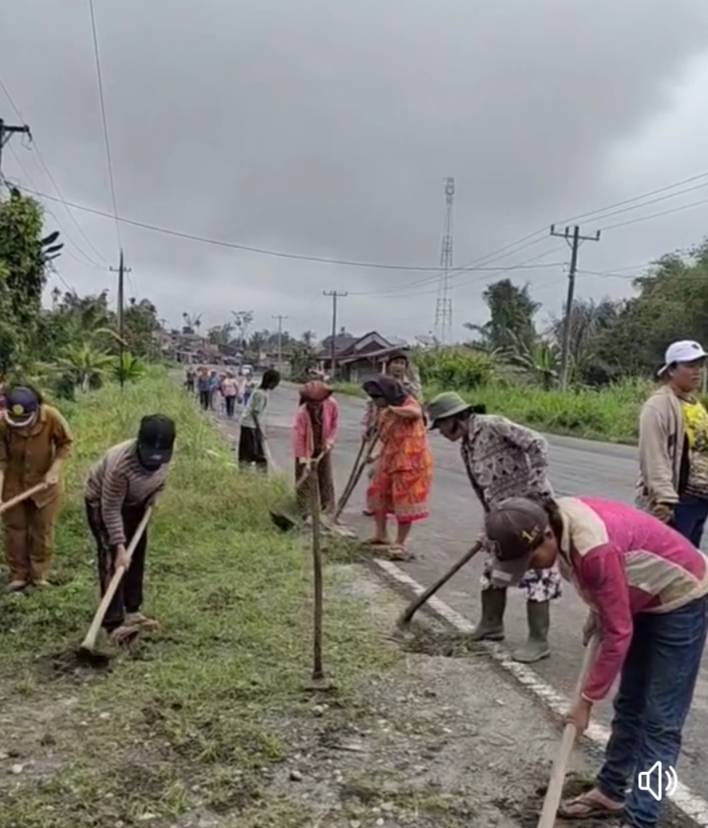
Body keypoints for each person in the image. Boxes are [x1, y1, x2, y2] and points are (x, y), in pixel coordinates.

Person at [484, 495, 708, 828]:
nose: (530, 569)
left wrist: (586, 701)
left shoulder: (593, 550)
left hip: (682, 596)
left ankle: (641, 818)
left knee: (661, 723)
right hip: (641, 594)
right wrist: (598, 609)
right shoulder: (553, 522)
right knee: (630, 703)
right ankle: (611, 791)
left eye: (531, 561)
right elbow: (611, 583)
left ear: (547, 535)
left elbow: (619, 634)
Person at [426, 390, 560, 663]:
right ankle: (491, 625)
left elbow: (538, 443)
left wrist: (534, 490)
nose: (440, 431)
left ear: (457, 418)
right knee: (493, 571)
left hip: (532, 513)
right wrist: (488, 525)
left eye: (441, 424)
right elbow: (483, 489)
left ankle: (538, 640)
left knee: (537, 574)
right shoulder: (467, 446)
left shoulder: (493, 425)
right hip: (502, 519)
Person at [85, 415, 176, 643]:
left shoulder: (166, 452)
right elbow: (111, 509)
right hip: (104, 504)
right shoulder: (120, 465)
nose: (155, 461)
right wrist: (119, 547)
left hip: (137, 504)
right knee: (113, 561)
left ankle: (133, 611)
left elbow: (160, 478)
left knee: (135, 555)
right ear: (139, 443)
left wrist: (155, 495)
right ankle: (112, 623)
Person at [0, 386, 73, 591]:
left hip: (45, 485)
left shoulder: (51, 416)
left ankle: (39, 575)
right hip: (13, 485)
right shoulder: (3, 423)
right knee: (15, 530)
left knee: (42, 530)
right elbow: (1, 462)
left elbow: (65, 443)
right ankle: (18, 575)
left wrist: (55, 469)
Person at [638, 339, 708, 547]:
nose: (697, 372)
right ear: (671, 370)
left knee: (690, 563)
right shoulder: (659, 406)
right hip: (678, 501)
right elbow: (654, 455)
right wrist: (664, 499)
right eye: (689, 366)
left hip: (700, 499)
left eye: (699, 366)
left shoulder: (695, 404)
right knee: (672, 564)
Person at [363, 376, 432, 560]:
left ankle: (400, 542)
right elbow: (387, 439)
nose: (376, 402)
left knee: (405, 502)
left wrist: (392, 408)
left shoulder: (408, 404)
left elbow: (415, 413)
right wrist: (375, 454)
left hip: (411, 462)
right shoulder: (383, 412)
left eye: (378, 398)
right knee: (377, 493)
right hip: (389, 459)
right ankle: (381, 534)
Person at [293, 381, 339, 516]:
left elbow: (334, 424)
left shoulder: (332, 404)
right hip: (306, 446)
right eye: (312, 403)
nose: (315, 405)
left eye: (318, 402)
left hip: (323, 443)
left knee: (325, 475)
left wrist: (329, 441)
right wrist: (304, 459)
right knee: (303, 477)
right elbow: (299, 437)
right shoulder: (302, 413)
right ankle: (304, 510)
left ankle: (328, 508)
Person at [238, 369, 281, 470]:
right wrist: (260, 431)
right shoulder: (260, 394)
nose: (276, 385)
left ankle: (254, 472)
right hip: (250, 425)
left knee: (256, 451)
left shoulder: (261, 390)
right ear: (270, 382)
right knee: (252, 452)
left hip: (251, 425)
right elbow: (255, 414)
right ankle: (249, 473)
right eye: (275, 383)